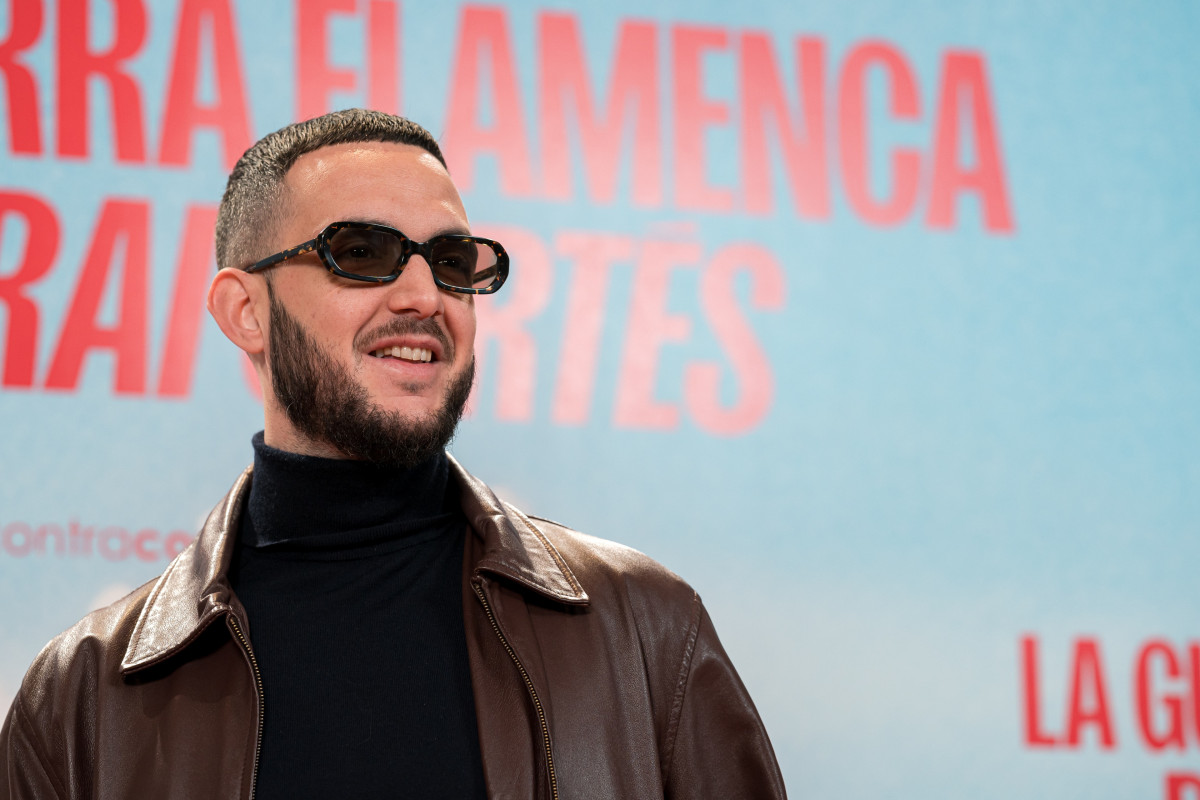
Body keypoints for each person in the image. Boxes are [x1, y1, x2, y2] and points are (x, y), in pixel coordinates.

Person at [0, 109, 786, 799]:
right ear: (245, 311)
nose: (422, 296)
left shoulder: (646, 631)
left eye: (451, 263)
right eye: (362, 252)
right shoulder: (81, 699)